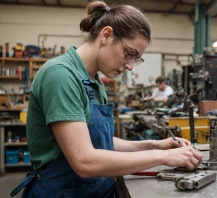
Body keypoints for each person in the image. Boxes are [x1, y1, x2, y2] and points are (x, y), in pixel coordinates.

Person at [11, 2, 202, 198]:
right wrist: (165, 157)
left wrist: (154, 144)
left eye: (136, 59)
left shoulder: (94, 81)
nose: (130, 66)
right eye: (129, 54)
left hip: (94, 190)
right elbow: (84, 161)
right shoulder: (60, 75)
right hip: (61, 192)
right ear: (106, 35)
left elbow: (100, 141)